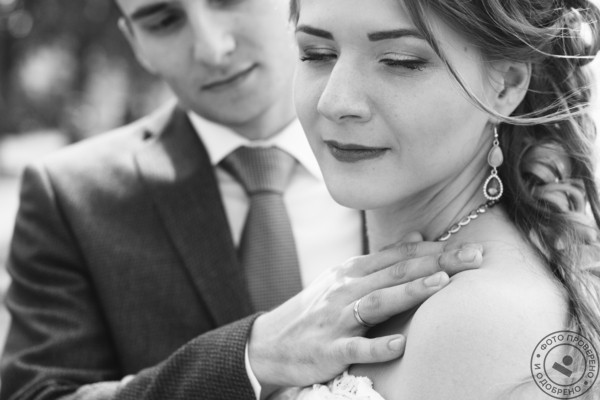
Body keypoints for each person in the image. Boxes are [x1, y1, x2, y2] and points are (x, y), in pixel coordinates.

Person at [0, 1, 485, 399]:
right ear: (135, 43)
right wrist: (251, 357)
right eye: (164, 20)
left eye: (229, 0)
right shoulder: (72, 196)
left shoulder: (432, 163)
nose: (213, 49)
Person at [283, 0, 600, 399]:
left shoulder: (479, 318)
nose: (334, 102)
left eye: (399, 62)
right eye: (317, 54)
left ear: (506, 85)